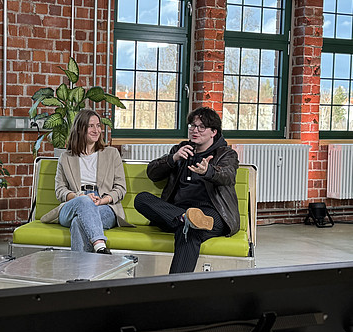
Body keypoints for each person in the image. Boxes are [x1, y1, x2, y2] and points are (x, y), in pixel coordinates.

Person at [134, 107, 240, 273]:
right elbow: (152, 173)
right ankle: (184, 218)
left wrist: (208, 171)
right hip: (177, 211)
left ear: (213, 132)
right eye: (192, 126)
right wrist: (173, 159)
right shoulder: (180, 150)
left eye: (201, 127)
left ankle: (174, 291)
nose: (195, 130)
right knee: (141, 199)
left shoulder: (225, 154)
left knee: (190, 232)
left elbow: (228, 175)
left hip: (211, 214)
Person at [40, 109, 132, 253]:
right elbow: (60, 190)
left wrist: (102, 201)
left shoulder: (111, 154)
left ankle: (80, 271)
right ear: (80, 129)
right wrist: (80, 197)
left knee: (78, 223)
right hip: (73, 204)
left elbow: (120, 188)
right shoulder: (66, 157)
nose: (96, 130)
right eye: (91, 126)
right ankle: (100, 245)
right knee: (84, 202)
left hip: (104, 205)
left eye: (98, 125)